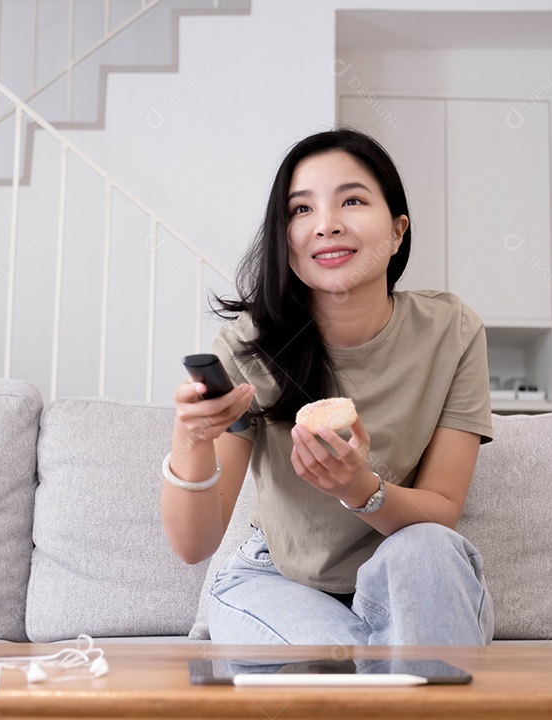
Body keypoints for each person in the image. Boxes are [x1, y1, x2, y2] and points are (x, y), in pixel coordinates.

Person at [160, 128, 494, 645]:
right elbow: (191, 545)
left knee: (429, 546)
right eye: (300, 210)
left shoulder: (452, 332)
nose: (326, 226)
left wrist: (359, 490)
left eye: (352, 200)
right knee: (346, 659)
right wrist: (192, 438)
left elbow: (442, 509)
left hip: (405, 567)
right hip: (276, 578)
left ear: (398, 230)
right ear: (284, 238)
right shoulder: (249, 348)